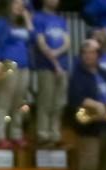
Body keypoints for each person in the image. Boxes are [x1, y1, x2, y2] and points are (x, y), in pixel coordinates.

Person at [68, 39, 106, 170]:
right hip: (89, 128)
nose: (89, 55)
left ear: (99, 55)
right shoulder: (77, 76)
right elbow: (76, 98)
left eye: (92, 52)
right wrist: (96, 105)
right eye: (85, 52)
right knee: (88, 165)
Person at [0, 0, 33, 149]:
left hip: (23, 66)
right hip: (7, 66)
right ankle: (0, 136)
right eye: (16, 4)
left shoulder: (22, 24)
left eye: (22, 5)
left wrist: (27, 20)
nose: (20, 7)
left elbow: (32, 40)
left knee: (18, 103)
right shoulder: (2, 22)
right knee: (2, 102)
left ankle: (16, 134)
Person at [33, 0, 70, 148]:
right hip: (45, 66)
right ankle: (43, 134)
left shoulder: (61, 20)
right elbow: (40, 42)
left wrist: (57, 53)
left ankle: (55, 134)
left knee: (59, 103)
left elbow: (67, 42)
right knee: (46, 101)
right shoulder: (38, 18)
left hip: (63, 65)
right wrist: (52, 57)